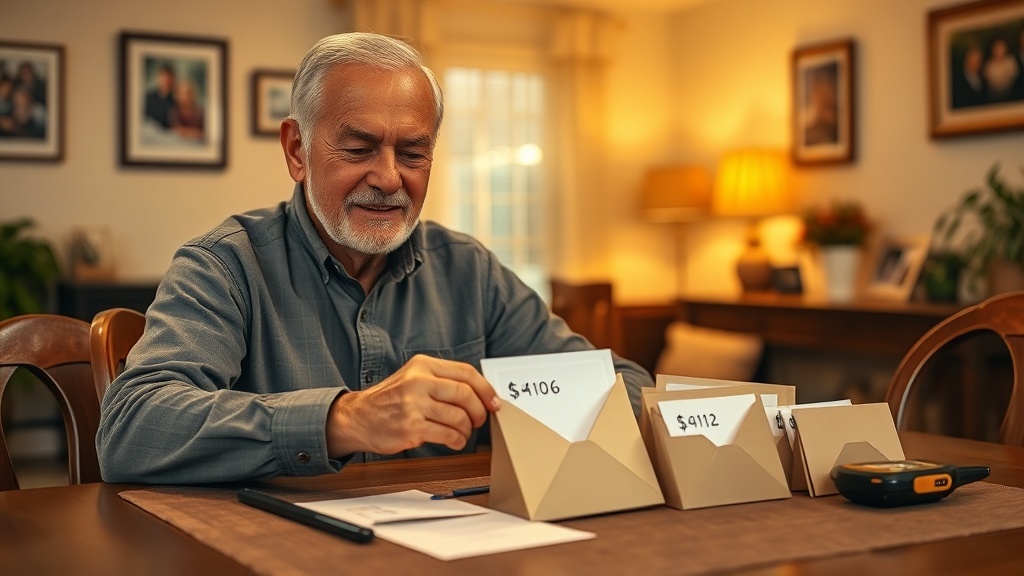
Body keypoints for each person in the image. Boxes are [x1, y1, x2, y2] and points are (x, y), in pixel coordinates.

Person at [96, 32, 654, 484]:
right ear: (296, 150)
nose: (389, 178)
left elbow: (620, 385)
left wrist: (549, 401)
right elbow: (131, 430)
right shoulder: (225, 267)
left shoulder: (469, 270)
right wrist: (344, 419)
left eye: (413, 154)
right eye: (359, 149)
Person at [952, 43, 987, 109]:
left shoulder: (983, 79)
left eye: (979, 61)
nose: (978, 64)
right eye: (976, 61)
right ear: (967, 60)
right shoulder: (957, 80)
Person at [144, 63, 176, 129]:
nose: (165, 81)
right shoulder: (149, 97)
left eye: (168, 78)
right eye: (163, 77)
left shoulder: (175, 101)